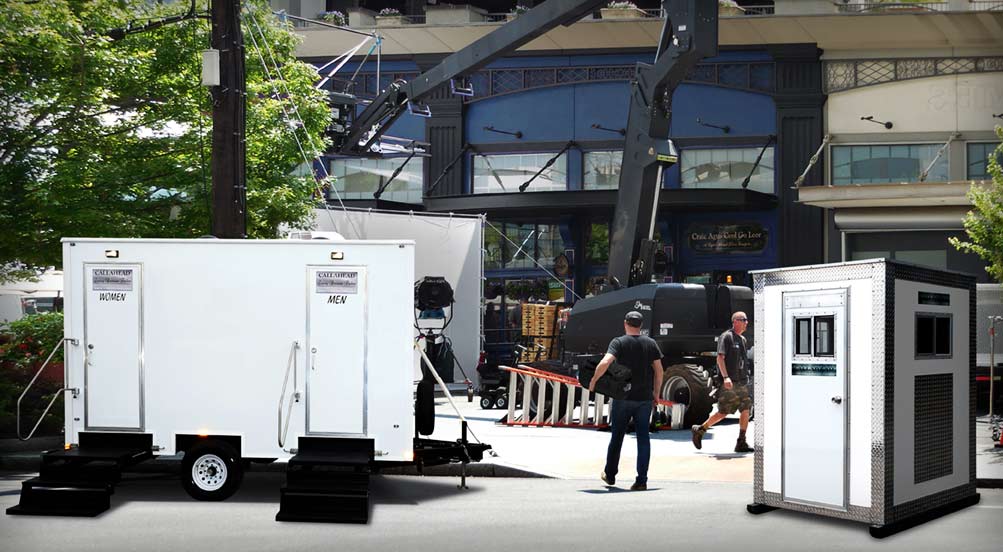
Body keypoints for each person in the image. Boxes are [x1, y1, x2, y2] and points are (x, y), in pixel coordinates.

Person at [589, 310, 663, 491]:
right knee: (643, 438)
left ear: (625, 323)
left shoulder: (618, 342)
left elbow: (605, 362)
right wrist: (656, 393)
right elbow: (659, 371)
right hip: (644, 398)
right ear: (641, 325)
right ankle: (642, 480)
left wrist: (593, 381)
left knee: (617, 436)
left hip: (623, 397)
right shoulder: (651, 343)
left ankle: (610, 474)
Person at [691, 311, 753, 453]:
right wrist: (726, 377)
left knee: (746, 409)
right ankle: (700, 430)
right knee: (723, 412)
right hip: (729, 384)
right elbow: (720, 358)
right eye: (744, 320)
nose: (746, 322)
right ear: (735, 321)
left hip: (741, 383)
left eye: (746, 320)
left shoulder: (742, 339)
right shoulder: (726, 337)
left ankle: (741, 441)